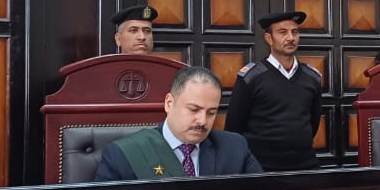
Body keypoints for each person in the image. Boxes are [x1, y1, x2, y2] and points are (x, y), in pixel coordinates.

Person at [94, 66, 261, 180]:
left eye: (211, 112)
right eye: (194, 109)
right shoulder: (123, 154)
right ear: (169, 103)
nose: (202, 121)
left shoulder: (234, 147)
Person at [225, 11, 323, 171]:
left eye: (295, 32)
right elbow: (234, 126)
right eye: (283, 32)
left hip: (305, 166)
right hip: (261, 168)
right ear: (269, 38)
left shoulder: (312, 77)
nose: (290, 38)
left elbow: (313, 122)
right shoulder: (251, 77)